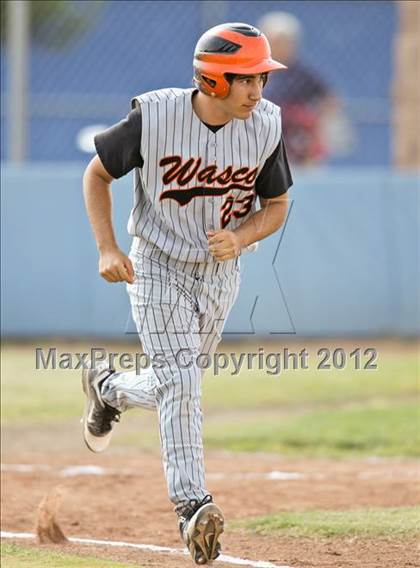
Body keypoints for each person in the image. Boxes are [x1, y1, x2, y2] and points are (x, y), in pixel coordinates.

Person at [81, 22, 292, 565]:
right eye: (246, 79)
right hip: (157, 263)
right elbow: (97, 174)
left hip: (221, 271)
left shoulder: (265, 125)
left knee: (179, 380)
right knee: (181, 379)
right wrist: (108, 248)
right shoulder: (155, 117)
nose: (257, 91)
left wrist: (242, 237)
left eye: (262, 79)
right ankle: (192, 506)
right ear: (213, 79)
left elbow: (277, 206)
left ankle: (109, 388)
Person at [258, 11, 339, 166]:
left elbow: (330, 100)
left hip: (295, 138)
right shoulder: (254, 70)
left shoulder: (302, 73)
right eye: (275, 41)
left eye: (285, 42)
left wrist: (314, 121)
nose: (281, 47)